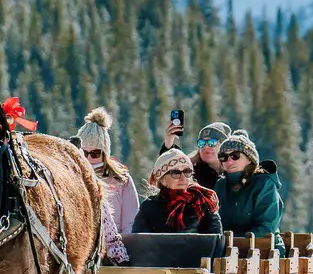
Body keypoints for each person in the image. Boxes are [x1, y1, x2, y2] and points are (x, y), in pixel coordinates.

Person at [75, 108, 137, 264]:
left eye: (94, 153)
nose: (88, 158)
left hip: (113, 254)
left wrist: (121, 251)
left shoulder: (121, 180)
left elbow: (131, 222)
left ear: (104, 153)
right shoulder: (72, 178)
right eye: (84, 153)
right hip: (80, 253)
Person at [133, 148, 221, 234]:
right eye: (175, 173)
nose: (183, 178)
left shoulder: (202, 202)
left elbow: (216, 239)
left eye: (187, 172)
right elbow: (139, 241)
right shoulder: (149, 207)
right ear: (162, 180)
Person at [214, 131, 284, 238]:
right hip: (224, 247)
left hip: (264, 248)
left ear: (249, 159)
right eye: (223, 157)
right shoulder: (220, 185)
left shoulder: (264, 183)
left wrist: (234, 240)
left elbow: (266, 227)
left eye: (235, 156)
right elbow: (213, 222)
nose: (229, 161)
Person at [162, 117, 233, 190]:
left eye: (212, 142)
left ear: (224, 146)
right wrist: (169, 141)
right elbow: (168, 167)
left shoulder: (234, 172)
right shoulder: (189, 172)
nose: (206, 146)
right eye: (201, 143)